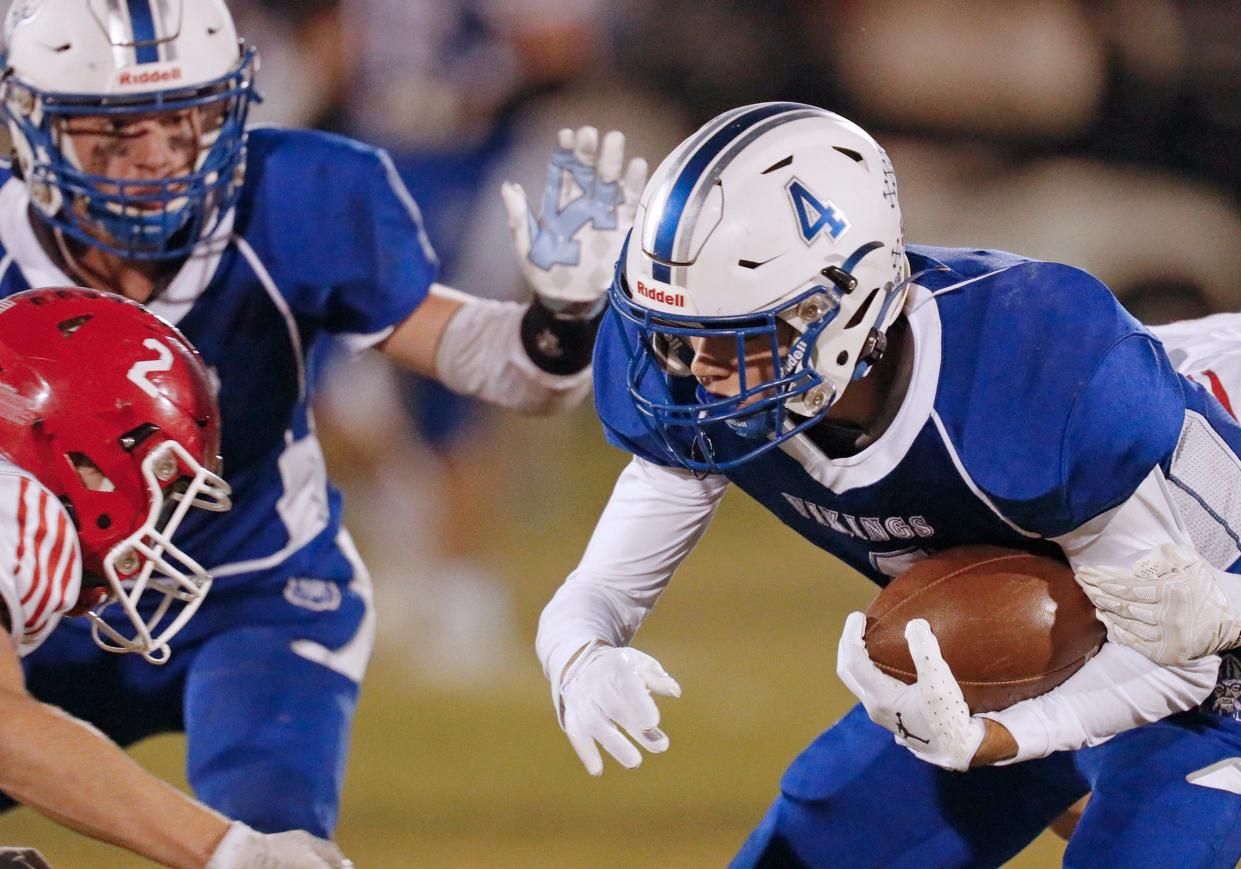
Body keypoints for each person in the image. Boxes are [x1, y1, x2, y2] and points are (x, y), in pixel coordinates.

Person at [535, 102, 1241, 868]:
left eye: (737, 332)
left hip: (1212, 654)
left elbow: (1180, 656)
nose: (700, 369)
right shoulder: (702, 380)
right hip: (1056, 645)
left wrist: (1000, 740)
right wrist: (580, 657)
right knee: (812, 847)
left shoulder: (1042, 372)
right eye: (681, 334)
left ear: (841, 303)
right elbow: (601, 586)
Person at [0, 0, 644, 839]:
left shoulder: (296, 193)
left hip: (253, 593)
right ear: (31, 127)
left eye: (186, 120)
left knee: (281, 840)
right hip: (33, 603)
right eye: (115, 132)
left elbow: (511, 373)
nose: (156, 158)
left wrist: (561, 316)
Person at [0, 287, 349, 867]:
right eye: (157, 479)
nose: (157, 523)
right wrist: (232, 852)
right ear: (74, 453)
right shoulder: (13, 505)